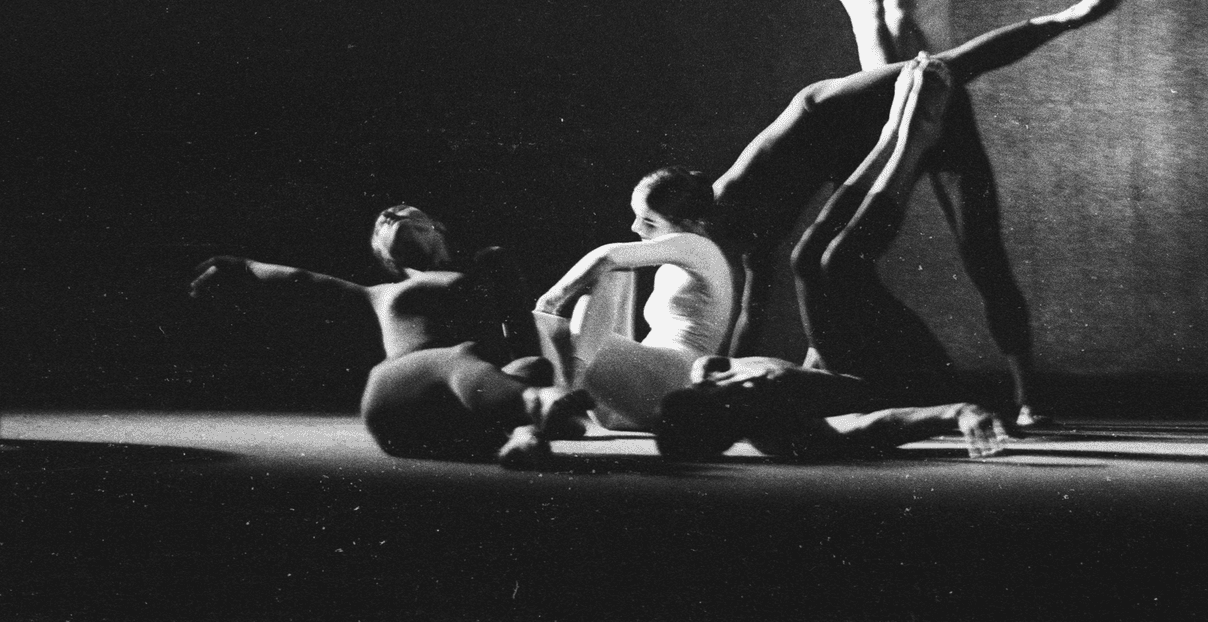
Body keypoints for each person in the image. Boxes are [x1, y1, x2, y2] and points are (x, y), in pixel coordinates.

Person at [665, 0, 1068, 422]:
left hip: (940, 105)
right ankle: (743, 377)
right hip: (874, 116)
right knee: (800, 249)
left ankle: (1030, 397)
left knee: (983, 255)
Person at [656, 55, 1017, 461]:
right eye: (728, 406)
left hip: (848, 357)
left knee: (807, 260)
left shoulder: (713, 374)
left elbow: (750, 340)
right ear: (734, 424)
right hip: (912, 379)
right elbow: (874, 425)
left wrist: (799, 359)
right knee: (836, 264)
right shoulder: (786, 435)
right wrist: (958, 412)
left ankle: (898, 133)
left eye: (703, 394)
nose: (726, 391)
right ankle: (913, 138)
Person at [189, 205, 590, 467]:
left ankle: (521, 435)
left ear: (439, 232)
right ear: (387, 257)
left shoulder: (483, 274)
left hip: (449, 416)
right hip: (400, 392)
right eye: (386, 221)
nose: (394, 215)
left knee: (528, 365)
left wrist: (534, 367)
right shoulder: (380, 294)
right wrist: (239, 265)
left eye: (408, 214)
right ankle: (533, 408)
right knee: (458, 356)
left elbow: (521, 336)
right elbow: (302, 280)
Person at [531, 167, 738, 429]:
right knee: (617, 275)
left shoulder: (698, 246)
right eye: (637, 217)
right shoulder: (694, 254)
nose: (635, 227)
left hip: (671, 383)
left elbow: (606, 255)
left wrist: (550, 301)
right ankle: (568, 386)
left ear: (687, 224)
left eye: (649, 222)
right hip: (649, 389)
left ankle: (569, 386)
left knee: (546, 323)